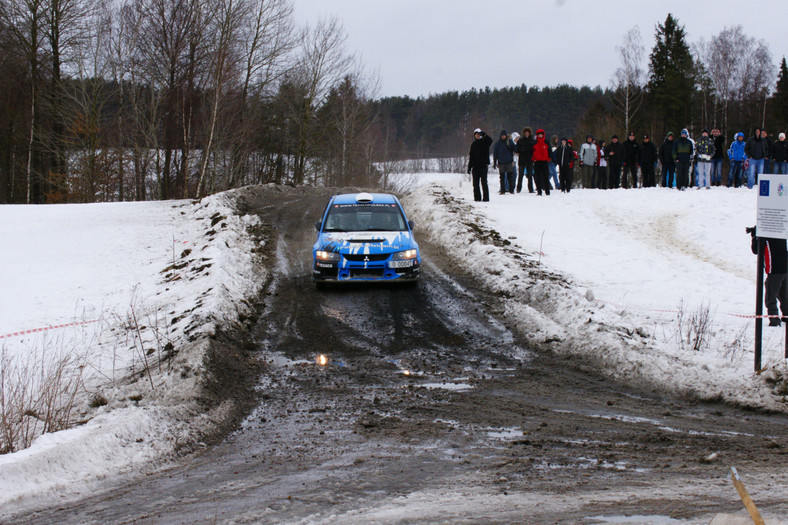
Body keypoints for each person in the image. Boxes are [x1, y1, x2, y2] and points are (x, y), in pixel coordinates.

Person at [751, 230, 788, 327]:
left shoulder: (766, 236)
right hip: (785, 268)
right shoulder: (780, 231)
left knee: (770, 297)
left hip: (774, 270)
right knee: (784, 296)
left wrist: (755, 237)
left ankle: (774, 320)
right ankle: (786, 316)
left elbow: (756, 250)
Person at [468, 128, 493, 201]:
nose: (477, 136)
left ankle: (486, 198)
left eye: (478, 134)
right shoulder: (473, 145)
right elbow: (471, 156)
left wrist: (485, 135)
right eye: (476, 134)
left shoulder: (485, 142)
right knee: (475, 183)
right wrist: (469, 167)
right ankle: (477, 198)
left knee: (484, 182)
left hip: (483, 165)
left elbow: (490, 141)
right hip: (475, 166)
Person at [493, 130, 516, 194]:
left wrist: (510, 148)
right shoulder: (497, 144)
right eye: (502, 135)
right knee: (502, 177)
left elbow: (515, 148)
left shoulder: (509, 142)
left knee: (510, 177)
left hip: (509, 161)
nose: (503, 137)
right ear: (501, 136)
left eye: (504, 135)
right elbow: (495, 153)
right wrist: (495, 162)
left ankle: (511, 190)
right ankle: (502, 190)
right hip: (501, 162)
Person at [515, 127, 536, 193]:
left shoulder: (532, 141)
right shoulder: (520, 141)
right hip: (522, 160)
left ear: (529, 133)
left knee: (530, 176)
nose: (527, 134)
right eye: (525, 132)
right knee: (520, 175)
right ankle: (518, 188)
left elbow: (534, 150)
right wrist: (522, 150)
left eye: (528, 132)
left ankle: (531, 189)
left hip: (529, 160)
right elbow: (517, 150)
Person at [532, 129, 551, 196]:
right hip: (537, 162)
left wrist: (548, 158)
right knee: (537, 177)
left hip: (544, 162)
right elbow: (531, 152)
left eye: (541, 134)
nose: (540, 135)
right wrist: (533, 158)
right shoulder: (534, 142)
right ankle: (539, 191)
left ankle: (547, 191)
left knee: (546, 177)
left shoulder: (546, 142)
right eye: (539, 134)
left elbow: (549, 151)